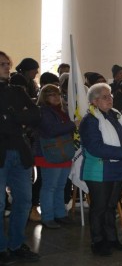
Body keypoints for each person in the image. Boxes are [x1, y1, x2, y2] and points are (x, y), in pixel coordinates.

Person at [79, 83, 122, 256]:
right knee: (99, 207)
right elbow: (95, 147)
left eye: (110, 95)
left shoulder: (116, 116)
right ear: (94, 101)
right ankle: (98, 241)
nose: (110, 99)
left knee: (111, 206)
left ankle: (112, 239)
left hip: (117, 166)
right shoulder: (90, 120)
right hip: (99, 169)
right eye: (105, 97)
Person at [0, 51, 42, 266]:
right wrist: (17, 118)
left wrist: (12, 117)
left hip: (20, 152)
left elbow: (36, 115)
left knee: (24, 202)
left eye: (8, 63)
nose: (7, 67)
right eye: (2, 64)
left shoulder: (17, 90)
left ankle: (16, 245)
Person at [34, 84, 77, 229]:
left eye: (58, 94)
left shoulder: (60, 111)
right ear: (44, 97)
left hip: (62, 151)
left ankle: (60, 214)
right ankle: (47, 216)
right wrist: (73, 124)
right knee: (50, 186)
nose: (56, 97)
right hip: (49, 153)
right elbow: (52, 130)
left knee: (60, 185)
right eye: (52, 95)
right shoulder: (43, 111)